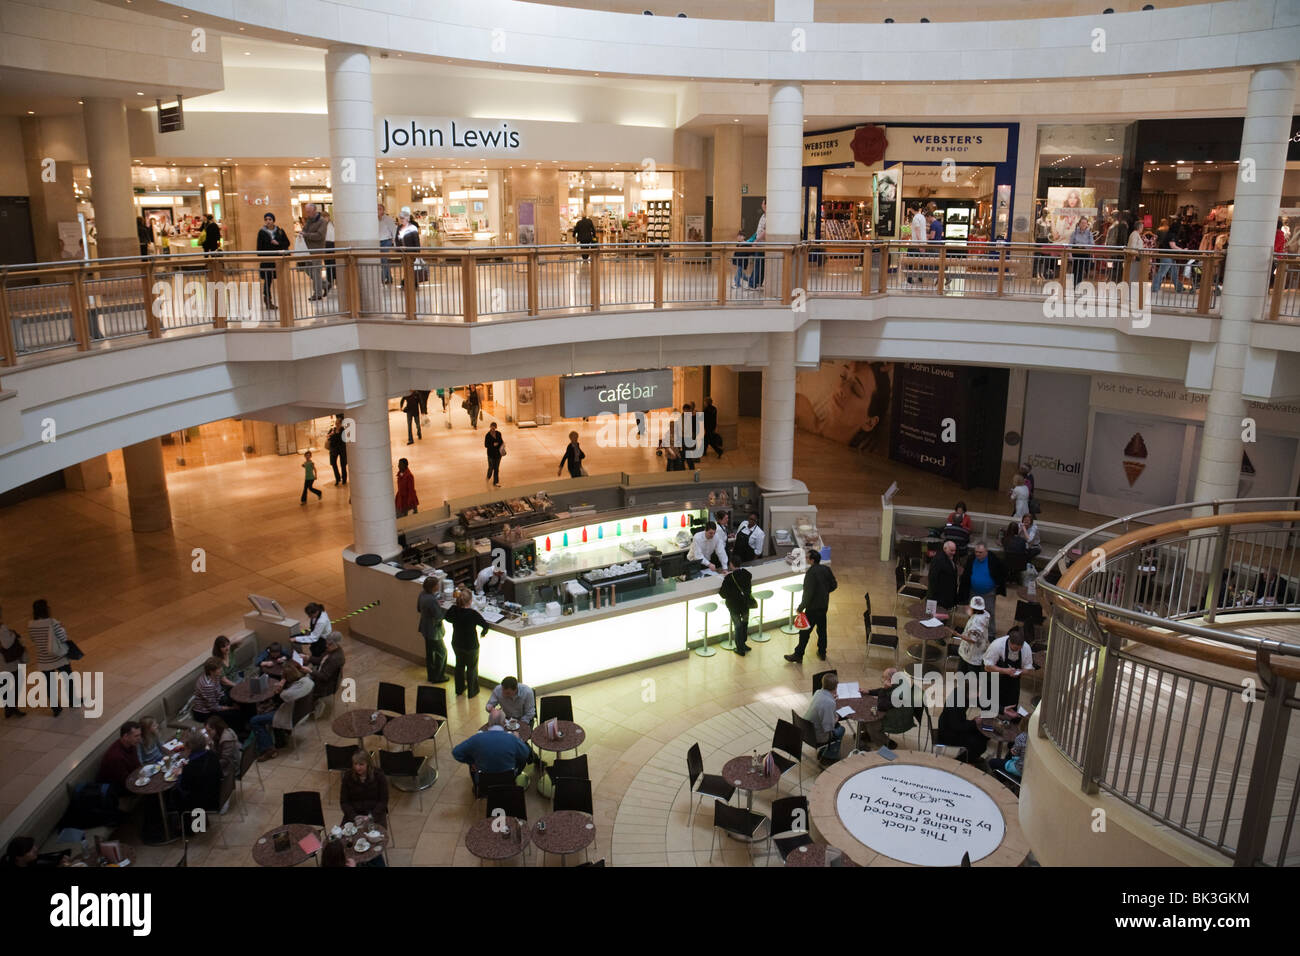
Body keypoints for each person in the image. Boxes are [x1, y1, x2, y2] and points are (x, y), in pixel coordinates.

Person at [452, 708, 532, 791]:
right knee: (521, 760)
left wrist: (471, 762)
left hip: (484, 782)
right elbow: (525, 753)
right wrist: (518, 739)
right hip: (507, 781)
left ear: (489, 723)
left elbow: (456, 752)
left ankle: (477, 789)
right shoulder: (511, 738)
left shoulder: (477, 738)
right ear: (504, 723)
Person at [250, 660, 314, 762]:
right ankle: (281, 740)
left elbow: (283, 696)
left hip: (290, 717)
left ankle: (268, 749)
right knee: (273, 708)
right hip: (303, 713)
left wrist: (281, 684)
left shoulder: (289, 693)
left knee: (255, 720)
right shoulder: (308, 681)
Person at [785, 550, 838, 663]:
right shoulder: (826, 569)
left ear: (812, 560)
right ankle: (822, 652)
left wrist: (800, 608)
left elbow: (808, 594)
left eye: (807, 557)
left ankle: (798, 655)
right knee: (822, 631)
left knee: (804, 633)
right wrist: (824, 593)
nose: (806, 559)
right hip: (823, 606)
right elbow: (834, 585)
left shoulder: (810, 573)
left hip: (812, 608)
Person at [28, 599, 78, 716]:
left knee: (50, 685)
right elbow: (63, 637)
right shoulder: (52, 622)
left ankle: (56, 708)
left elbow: (33, 639)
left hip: (44, 660)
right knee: (68, 679)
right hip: (59, 658)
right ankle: (73, 701)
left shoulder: (31, 625)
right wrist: (62, 628)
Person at [446, 588, 490, 697]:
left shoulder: (453, 610)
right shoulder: (472, 614)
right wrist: (483, 633)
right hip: (471, 645)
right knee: (472, 668)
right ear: (470, 601)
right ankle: (472, 691)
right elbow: (485, 625)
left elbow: (447, 617)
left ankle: (459, 689)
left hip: (457, 643)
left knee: (459, 666)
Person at [959, 541, 1007, 636]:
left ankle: (991, 633)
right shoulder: (971, 558)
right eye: (976, 552)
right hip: (973, 592)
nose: (977, 554)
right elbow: (966, 575)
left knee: (989, 613)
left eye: (980, 552)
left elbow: (1002, 572)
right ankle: (971, 630)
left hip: (988, 593)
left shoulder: (993, 559)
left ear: (986, 552)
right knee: (972, 612)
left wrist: (997, 585)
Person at [174, 730, 223, 820]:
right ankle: (202, 821)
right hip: (217, 793)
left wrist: (180, 775)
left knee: (174, 793)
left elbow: (183, 788)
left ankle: (187, 824)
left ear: (189, 748)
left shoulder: (190, 768)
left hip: (202, 801)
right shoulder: (212, 754)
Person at [984, 626, 1033, 713]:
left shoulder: (1026, 648)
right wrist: (1005, 671)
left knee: (1012, 704)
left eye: (1019, 649)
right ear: (1009, 642)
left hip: (1013, 680)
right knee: (993, 705)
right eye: (1015, 649)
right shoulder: (997, 645)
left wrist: (1018, 672)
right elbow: (987, 667)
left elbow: (1028, 669)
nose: (1017, 651)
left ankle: (1009, 718)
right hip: (995, 677)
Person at [935, 691, 988, 764]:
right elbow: (957, 726)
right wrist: (975, 722)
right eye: (977, 692)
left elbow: (982, 703)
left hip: (956, 726)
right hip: (949, 733)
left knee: (984, 734)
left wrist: (1001, 710)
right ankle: (959, 762)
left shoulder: (965, 694)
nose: (979, 695)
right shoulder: (955, 701)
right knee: (980, 744)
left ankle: (971, 757)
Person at [339, 749, 389, 826]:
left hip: (375, 814)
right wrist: (354, 817)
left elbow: (383, 801)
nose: (357, 768)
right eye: (355, 764)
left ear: (368, 764)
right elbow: (344, 802)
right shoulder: (348, 776)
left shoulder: (379, 775)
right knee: (343, 833)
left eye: (361, 764)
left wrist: (370, 817)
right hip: (354, 814)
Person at [804, 672, 844, 762]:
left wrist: (831, 699)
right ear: (836, 687)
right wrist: (836, 718)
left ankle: (826, 751)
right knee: (841, 729)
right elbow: (828, 728)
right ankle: (829, 757)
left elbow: (822, 704)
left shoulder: (817, 692)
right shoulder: (829, 703)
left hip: (807, 730)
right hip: (817, 736)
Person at [193, 657, 242, 728]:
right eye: (219, 668)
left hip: (216, 700)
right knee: (234, 714)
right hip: (205, 712)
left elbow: (219, 690)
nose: (221, 669)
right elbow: (213, 707)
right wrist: (231, 708)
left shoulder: (214, 675)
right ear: (211, 671)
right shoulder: (208, 685)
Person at [97, 721, 142, 795]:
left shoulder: (131, 745)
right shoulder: (116, 756)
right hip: (115, 789)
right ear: (125, 737)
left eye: (140, 735)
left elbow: (137, 765)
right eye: (136, 736)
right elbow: (125, 782)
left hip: (130, 778)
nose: (139, 738)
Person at [255, 212, 289, 310]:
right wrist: (264, 257)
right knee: (268, 281)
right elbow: (259, 248)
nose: (268, 221)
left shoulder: (280, 231)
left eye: (270, 219)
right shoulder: (262, 232)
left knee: (282, 280)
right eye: (266, 219)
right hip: (267, 261)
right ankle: (268, 300)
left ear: (273, 220)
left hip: (278, 260)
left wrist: (278, 243)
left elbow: (287, 243)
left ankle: (285, 300)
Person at [417, 577, 448, 684]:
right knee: (442, 653)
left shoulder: (422, 594)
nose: (438, 586)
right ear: (433, 587)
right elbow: (439, 616)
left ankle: (431, 675)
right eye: (437, 584)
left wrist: (435, 605)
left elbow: (419, 609)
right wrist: (443, 610)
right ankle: (439, 676)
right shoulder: (432, 600)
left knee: (430, 654)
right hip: (434, 631)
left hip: (425, 628)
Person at [718, 565, 754, 656]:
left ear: (731, 565)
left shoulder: (729, 578)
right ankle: (743, 644)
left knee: (738, 626)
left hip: (734, 606)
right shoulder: (747, 574)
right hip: (745, 604)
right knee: (745, 624)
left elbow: (723, 594)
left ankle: (740, 649)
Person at [299, 202, 328, 299]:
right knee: (307, 269)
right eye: (306, 212)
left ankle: (317, 294)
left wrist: (306, 235)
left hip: (317, 250)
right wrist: (302, 233)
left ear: (315, 210)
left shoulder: (322, 221)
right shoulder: (309, 220)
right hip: (308, 250)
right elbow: (305, 230)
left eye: (309, 211)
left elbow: (320, 236)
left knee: (316, 272)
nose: (307, 214)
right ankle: (325, 284)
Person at [957, 595, 991, 676]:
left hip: (971, 654)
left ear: (974, 609)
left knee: (969, 675)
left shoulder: (976, 623)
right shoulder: (985, 614)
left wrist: (957, 634)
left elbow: (972, 639)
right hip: (974, 651)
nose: (969, 608)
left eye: (970, 607)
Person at [0, 605, 25, 718]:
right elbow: (7, 644)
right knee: (15, 683)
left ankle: (8, 708)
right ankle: (13, 708)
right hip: (7, 662)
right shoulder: (2, 628)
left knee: (3, 685)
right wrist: (13, 634)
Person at [308, 632, 345, 702]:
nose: (326, 646)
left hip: (325, 686)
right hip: (321, 673)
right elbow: (320, 660)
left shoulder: (335, 659)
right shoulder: (331, 649)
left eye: (329, 644)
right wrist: (308, 658)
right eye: (326, 643)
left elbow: (324, 676)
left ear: (336, 644)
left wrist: (310, 671)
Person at [1151, 217, 1184, 294]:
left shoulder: (1167, 232)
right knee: (1162, 272)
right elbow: (1172, 245)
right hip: (1168, 256)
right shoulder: (1172, 235)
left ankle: (1179, 287)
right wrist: (1182, 250)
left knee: (1174, 273)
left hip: (1168, 255)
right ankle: (1155, 287)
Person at [926, 539, 961, 610]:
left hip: (944, 597)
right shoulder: (938, 560)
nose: (954, 553)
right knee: (933, 616)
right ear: (944, 549)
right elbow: (932, 580)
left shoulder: (949, 557)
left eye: (954, 550)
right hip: (938, 599)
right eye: (951, 550)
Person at [206, 715, 240, 782]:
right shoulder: (222, 732)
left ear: (216, 728)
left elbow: (225, 761)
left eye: (209, 731)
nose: (208, 733)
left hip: (230, 768)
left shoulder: (227, 739)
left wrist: (210, 765)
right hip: (227, 763)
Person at [397, 208, 422, 289]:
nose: (401, 220)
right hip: (403, 253)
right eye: (400, 218)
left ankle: (412, 283)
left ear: (407, 219)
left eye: (403, 218)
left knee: (411, 268)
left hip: (411, 252)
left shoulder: (413, 228)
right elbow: (397, 240)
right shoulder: (399, 228)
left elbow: (416, 241)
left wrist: (417, 253)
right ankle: (407, 282)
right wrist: (399, 248)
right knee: (406, 268)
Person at [907, 205, 929, 285]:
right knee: (921, 261)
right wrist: (923, 243)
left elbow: (917, 231)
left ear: (912, 209)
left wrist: (920, 244)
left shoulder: (916, 218)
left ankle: (910, 278)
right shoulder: (922, 217)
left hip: (916, 244)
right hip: (922, 242)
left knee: (910, 261)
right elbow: (923, 230)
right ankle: (920, 277)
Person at [748, 199, 767, 289]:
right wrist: (752, 240)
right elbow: (758, 231)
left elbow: (765, 231)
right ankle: (757, 283)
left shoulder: (769, 217)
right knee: (759, 263)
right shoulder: (763, 215)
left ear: (766, 205)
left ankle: (753, 284)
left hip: (762, 244)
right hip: (758, 243)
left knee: (758, 264)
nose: (761, 205)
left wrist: (757, 240)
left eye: (763, 203)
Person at [378, 203, 398, 284]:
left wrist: (395, 242)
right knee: (382, 260)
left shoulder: (388, 219)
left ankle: (383, 278)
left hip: (386, 241)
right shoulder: (374, 219)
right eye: (377, 209)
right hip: (377, 242)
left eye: (380, 209)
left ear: (383, 210)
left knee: (384, 259)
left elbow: (394, 230)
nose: (378, 211)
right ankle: (389, 278)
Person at [327, 413, 348, 485]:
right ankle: (337, 478)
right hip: (333, 450)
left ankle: (344, 479)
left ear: (341, 423)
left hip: (342, 450)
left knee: (343, 465)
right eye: (336, 423)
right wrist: (331, 435)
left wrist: (334, 436)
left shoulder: (343, 430)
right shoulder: (332, 430)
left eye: (338, 423)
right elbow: (329, 438)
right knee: (333, 464)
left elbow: (344, 440)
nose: (336, 424)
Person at [484, 421, 505, 487]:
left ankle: (496, 482)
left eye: (494, 428)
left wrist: (503, 445)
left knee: (496, 468)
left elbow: (501, 441)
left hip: (498, 454)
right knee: (491, 467)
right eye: (492, 428)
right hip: (491, 455)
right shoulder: (487, 435)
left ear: (496, 428)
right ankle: (488, 476)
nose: (493, 429)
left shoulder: (498, 433)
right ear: (490, 427)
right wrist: (493, 445)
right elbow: (486, 445)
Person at [323, 211, 336, 292]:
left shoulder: (332, 225)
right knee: (328, 265)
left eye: (325, 217)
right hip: (326, 246)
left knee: (332, 265)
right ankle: (329, 282)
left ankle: (331, 282)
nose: (325, 219)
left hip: (332, 245)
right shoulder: (323, 226)